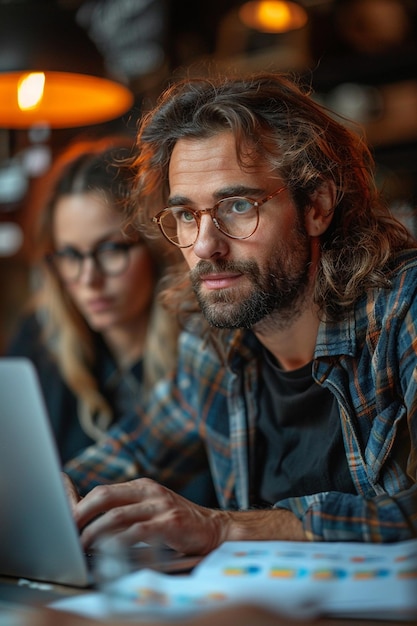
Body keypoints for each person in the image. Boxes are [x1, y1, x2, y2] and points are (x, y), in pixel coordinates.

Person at [64, 72, 417, 554]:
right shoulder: (211, 338)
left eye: (236, 206)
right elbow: (135, 452)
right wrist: (56, 491)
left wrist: (225, 527)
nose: (205, 246)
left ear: (317, 204)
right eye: (187, 214)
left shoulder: (403, 309)